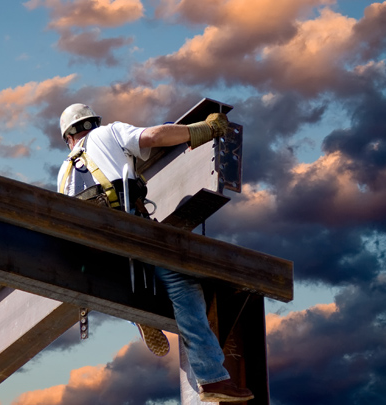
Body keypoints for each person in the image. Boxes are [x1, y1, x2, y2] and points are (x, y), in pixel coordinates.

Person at [57, 103, 254, 403]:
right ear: (93, 123)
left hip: (90, 257)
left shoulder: (63, 171)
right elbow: (151, 136)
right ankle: (213, 377)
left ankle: (137, 311)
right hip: (127, 233)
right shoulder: (108, 133)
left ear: (68, 137)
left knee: (131, 283)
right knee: (182, 286)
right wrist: (201, 130)